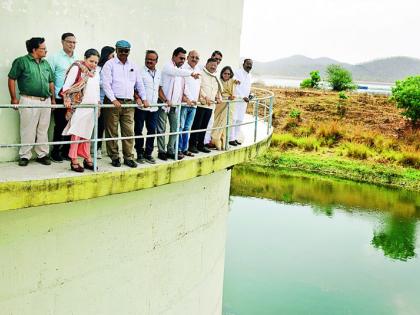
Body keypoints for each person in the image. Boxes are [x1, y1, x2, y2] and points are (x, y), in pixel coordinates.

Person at [8, 37, 55, 166]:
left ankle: (42, 154)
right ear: (34, 49)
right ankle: (25, 155)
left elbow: (51, 81)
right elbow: (12, 78)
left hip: (45, 101)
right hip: (29, 100)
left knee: (43, 129)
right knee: (27, 129)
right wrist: (13, 98)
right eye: (43, 48)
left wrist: (53, 99)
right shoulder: (21, 61)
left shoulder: (45, 64)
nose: (46, 50)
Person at [101, 40, 148, 168]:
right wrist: (113, 99)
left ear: (129, 51)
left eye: (125, 51)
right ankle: (115, 157)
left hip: (128, 103)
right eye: (120, 50)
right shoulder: (109, 65)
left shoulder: (133, 65)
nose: (123, 53)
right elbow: (105, 84)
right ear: (116, 50)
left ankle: (128, 157)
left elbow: (139, 84)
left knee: (128, 131)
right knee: (112, 131)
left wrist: (144, 98)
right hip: (113, 102)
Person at [61, 49, 101, 172]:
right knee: (76, 133)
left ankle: (87, 158)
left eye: (96, 62)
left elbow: (97, 89)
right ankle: (74, 160)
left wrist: (98, 104)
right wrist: (67, 102)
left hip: (92, 107)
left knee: (87, 134)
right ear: (85, 58)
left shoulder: (95, 72)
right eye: (91, 61)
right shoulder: (76, 68)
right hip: (79, 106)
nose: (93, 64)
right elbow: (66, 86)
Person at [157, 47, 200, 161]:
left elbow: (184, 89)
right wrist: (191, 73)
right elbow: (161, 86)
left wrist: (190, 99)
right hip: (164, 104)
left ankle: (170, 150)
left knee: (175, 129)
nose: (182, 61)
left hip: (175, 106)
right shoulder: (168, 67)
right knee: (161, 129)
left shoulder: (181, 73)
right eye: (181, 58)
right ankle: (161, 151)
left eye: (184, 59)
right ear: (174, 56)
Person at [47, 32, 77, 162]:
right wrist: (52, 98)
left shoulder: (77, 59)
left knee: (71, 124)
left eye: (74, 42)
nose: (72, 44)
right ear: (62, 42)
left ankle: (66, 152)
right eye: (69, 42)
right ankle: (55, 152)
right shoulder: (55, 58)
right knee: (59, 125)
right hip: (60, 97)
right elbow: (50, 79)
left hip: (73, 98)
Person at [189, 58, 222, 153]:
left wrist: (218, 97)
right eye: (211, 64)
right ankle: (192, 145)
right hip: (201, 104)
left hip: (210, 105)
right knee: (197, 126)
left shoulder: (215, 76)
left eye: (215, 65)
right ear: (206, 64)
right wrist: (205, 96)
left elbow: (217, 89)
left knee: (204, 126)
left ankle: (200, 145)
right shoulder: (201, 73)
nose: (213, 67)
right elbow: (198, 87)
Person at [134, 50, 161, 164]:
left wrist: (165, 100)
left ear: (156, 61)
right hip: (141, 108)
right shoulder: (139, 71)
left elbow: (159, 89)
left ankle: (148, 154)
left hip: (154, 108)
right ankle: (139, 153)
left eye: (152, 59)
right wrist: (138, 98)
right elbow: (133, 88)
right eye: (147, 59)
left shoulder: (159, 72)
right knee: (138, 131)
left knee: (152, 131)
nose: (149, 61)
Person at [179, 50, 201, 157]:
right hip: (184, 104)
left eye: (197, 58)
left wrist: (200, 98)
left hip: (194, 105)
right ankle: (178, 149)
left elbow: (197, 87)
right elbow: (183, 86)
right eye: (192, 57)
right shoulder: (183, 69)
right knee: (180, 127)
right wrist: (187, 99)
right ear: (187, 57)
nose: (194, 59)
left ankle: (184, 149)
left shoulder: (198, 70)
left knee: (187, 128)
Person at [209, 66, 237, 150]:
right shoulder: (218, 81)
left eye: (228, 74)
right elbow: (216, 93)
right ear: (222, 73)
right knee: (219, 122)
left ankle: (224, 143)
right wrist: (225, 98)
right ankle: (216, 140)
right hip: (221, 103)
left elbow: (235, 85)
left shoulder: (232, 81)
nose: (227, 75)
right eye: (225, 73)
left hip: (230, 104)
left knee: (226, 123)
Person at [95, 46, 115, 159]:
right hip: (98, 101)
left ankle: (99, 148)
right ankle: (95, 148)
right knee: (97, 126)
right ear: (107, 55)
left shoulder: (113, 67)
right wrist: (107, 83)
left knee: (104, 126)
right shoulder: (98, 68)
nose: (114, 58)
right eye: (112, 55)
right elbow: (97, 82)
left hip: (109, 101)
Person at [230, 59, 253, 146]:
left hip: (244, 102)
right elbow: (236, 86)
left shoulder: (250, 75)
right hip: (237, 99)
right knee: (234, 119)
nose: (249, 66)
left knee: (240, 120)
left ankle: (235, 138)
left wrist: (249, 94)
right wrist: (242, 96)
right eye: (248, 64)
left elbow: (247, 87)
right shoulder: (237, 72)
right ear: (243, 64)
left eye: (251, 64)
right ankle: (231, 139)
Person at [204, 50, 223, 146]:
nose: (218, 61)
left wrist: (218, 97)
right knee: (201, 124)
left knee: (210, 122)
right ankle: (202, 142)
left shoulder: (216, 71)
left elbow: (217, 87)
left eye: (220, 60)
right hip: (203, 102)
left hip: (212, 103)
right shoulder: (204, 69)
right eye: (216, 58)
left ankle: (207, 141)